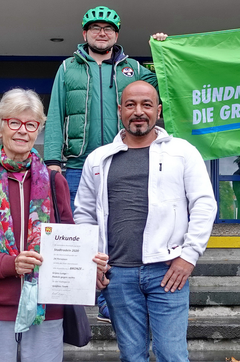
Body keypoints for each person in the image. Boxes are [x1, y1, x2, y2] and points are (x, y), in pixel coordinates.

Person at [74, 81, 218, 361]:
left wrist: (188, 256)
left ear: (158, 110)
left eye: (146, 105)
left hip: (167, 272)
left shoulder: (182, 151)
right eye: (130, 105)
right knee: (132, 356)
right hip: (117, 275)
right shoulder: (98, 159)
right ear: (120, 111)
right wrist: (91, 261)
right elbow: (84, 213)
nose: (138, 112)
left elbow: (204, 204)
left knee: (172, 355)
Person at [0, 89, 79, 361]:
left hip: (46, 307)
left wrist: (88, 264)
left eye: (31, 124)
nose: (22, 131)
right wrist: (10, 264)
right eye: (14, 122)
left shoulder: (55, 183)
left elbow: (69, 241)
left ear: (38, 130)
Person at [44, 5, 158, 210]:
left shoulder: (133, 68)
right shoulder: (67, 68)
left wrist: (161, 51)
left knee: (120, 225)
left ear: (116, 35)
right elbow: (55, 114)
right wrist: (52, 161)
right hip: (77, 167)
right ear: (85, 33)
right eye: (96, 27)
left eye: (108, 28)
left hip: (123, 162)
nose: (102, 33)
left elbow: (167, 87)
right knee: (77, 232)